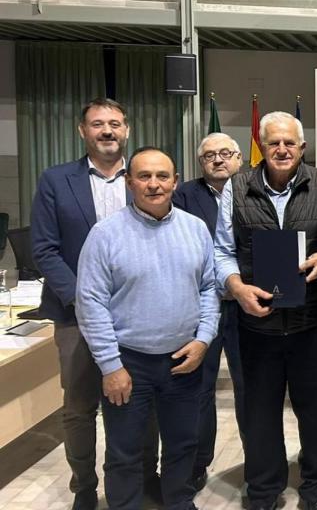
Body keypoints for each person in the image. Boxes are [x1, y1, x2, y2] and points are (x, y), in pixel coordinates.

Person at [214, 111, 317, 510]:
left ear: (303, 148)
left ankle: (316, 486)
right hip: (256, 324)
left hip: (314, 320)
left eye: (289, 143)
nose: (281, 149)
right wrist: (236, 286)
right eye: (273, 142)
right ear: (261, 146)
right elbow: (221, 250)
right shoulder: (236, 187)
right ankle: (262, 488)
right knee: (259, 411)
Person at [30, 98, 160, 510]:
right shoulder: (55, 180)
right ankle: (84, 486)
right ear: (81, 131)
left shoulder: (143, 178)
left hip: (138, 314)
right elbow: (45, 250)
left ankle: (145, 476)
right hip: (74, 316)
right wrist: (86, 301)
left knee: (144, 402)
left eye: (115, 124)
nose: (108, 131)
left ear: (127, 131)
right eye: (98, 124)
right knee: (80, 406)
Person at [76, 147, 219, 510]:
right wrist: (110, 366)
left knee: (183, 444)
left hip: (183, 359)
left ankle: (178, 502)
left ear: (175, 181)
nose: (153, 185)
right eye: (144, 176)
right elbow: (90, 303)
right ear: (129, 182)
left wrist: (203, 340)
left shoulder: (196, 229)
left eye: (162, 176)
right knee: (125, 451)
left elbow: (208, 290)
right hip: (128, 363)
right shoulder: (105, 234)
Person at [172, 132, 246, 493]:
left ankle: (258, 461)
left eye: (226, 154)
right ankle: (197, 463)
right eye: (209, 156)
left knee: (251, 388)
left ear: (240, 158)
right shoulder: (184, 195)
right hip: (204, 307)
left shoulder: (252, 190)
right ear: (200, 163)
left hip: (248, 306)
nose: (218, 160)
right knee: (199, 389)